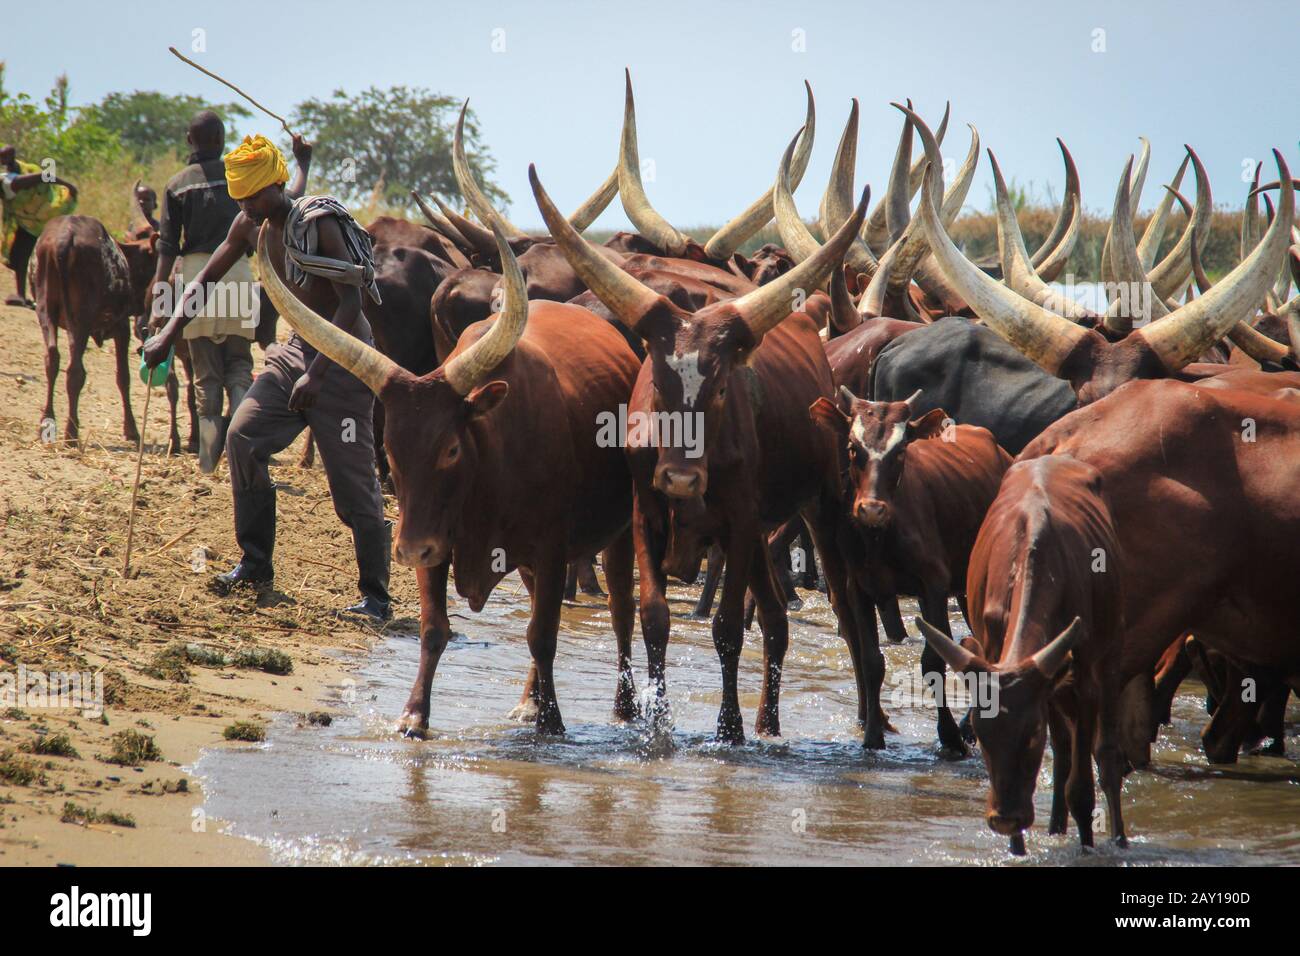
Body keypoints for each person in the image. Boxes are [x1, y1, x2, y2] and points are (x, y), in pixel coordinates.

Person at [143, 133, 391, 620]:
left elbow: (350, 303)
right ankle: (255, 563)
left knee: (353, 484)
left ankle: (377, 598)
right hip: (294, 351)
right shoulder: (251, 222)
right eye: (240, 198)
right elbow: (204, 280)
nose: (247, 206)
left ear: (275, 186)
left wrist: (318, 376)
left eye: (254, 196)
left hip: (343, 357)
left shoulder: (317, 225)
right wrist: (168, 335)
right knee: (242, 437)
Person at [147, 111, 258, 473]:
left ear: (189, 140)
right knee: (240, 364)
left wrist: (159, 304)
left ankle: (209, 461)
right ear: (223, 140)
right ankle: (242, 446)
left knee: (205, 371)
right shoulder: (240, 180)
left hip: (196, 280)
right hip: (240, 274)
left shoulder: (177, 185)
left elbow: (166, 248)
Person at [1, 144, 78, 307]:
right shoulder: (9, 177)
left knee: (27, 260)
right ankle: (26, 295)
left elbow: (44, 176)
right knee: (24, 260)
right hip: (27, 221)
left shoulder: (12, 179)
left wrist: (67, 185)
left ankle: (35, 296)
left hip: (34, 221)